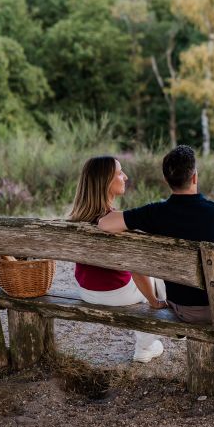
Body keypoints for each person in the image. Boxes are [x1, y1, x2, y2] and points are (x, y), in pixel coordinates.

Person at [99, 144, 214, 378]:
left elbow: (105, 224)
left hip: (182, 308)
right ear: (194, 176)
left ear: (167, 180)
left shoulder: (154, 213)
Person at [69, 155, 167, 363]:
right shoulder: (114, 222)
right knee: (158, 278)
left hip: (86, 291)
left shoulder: (76, 218)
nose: (125, 176)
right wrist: (153, 301)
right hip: (116, 293)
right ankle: (144, 346)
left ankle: (146, 345)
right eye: (119, 173)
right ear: (105, 182)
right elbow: (137, 269)